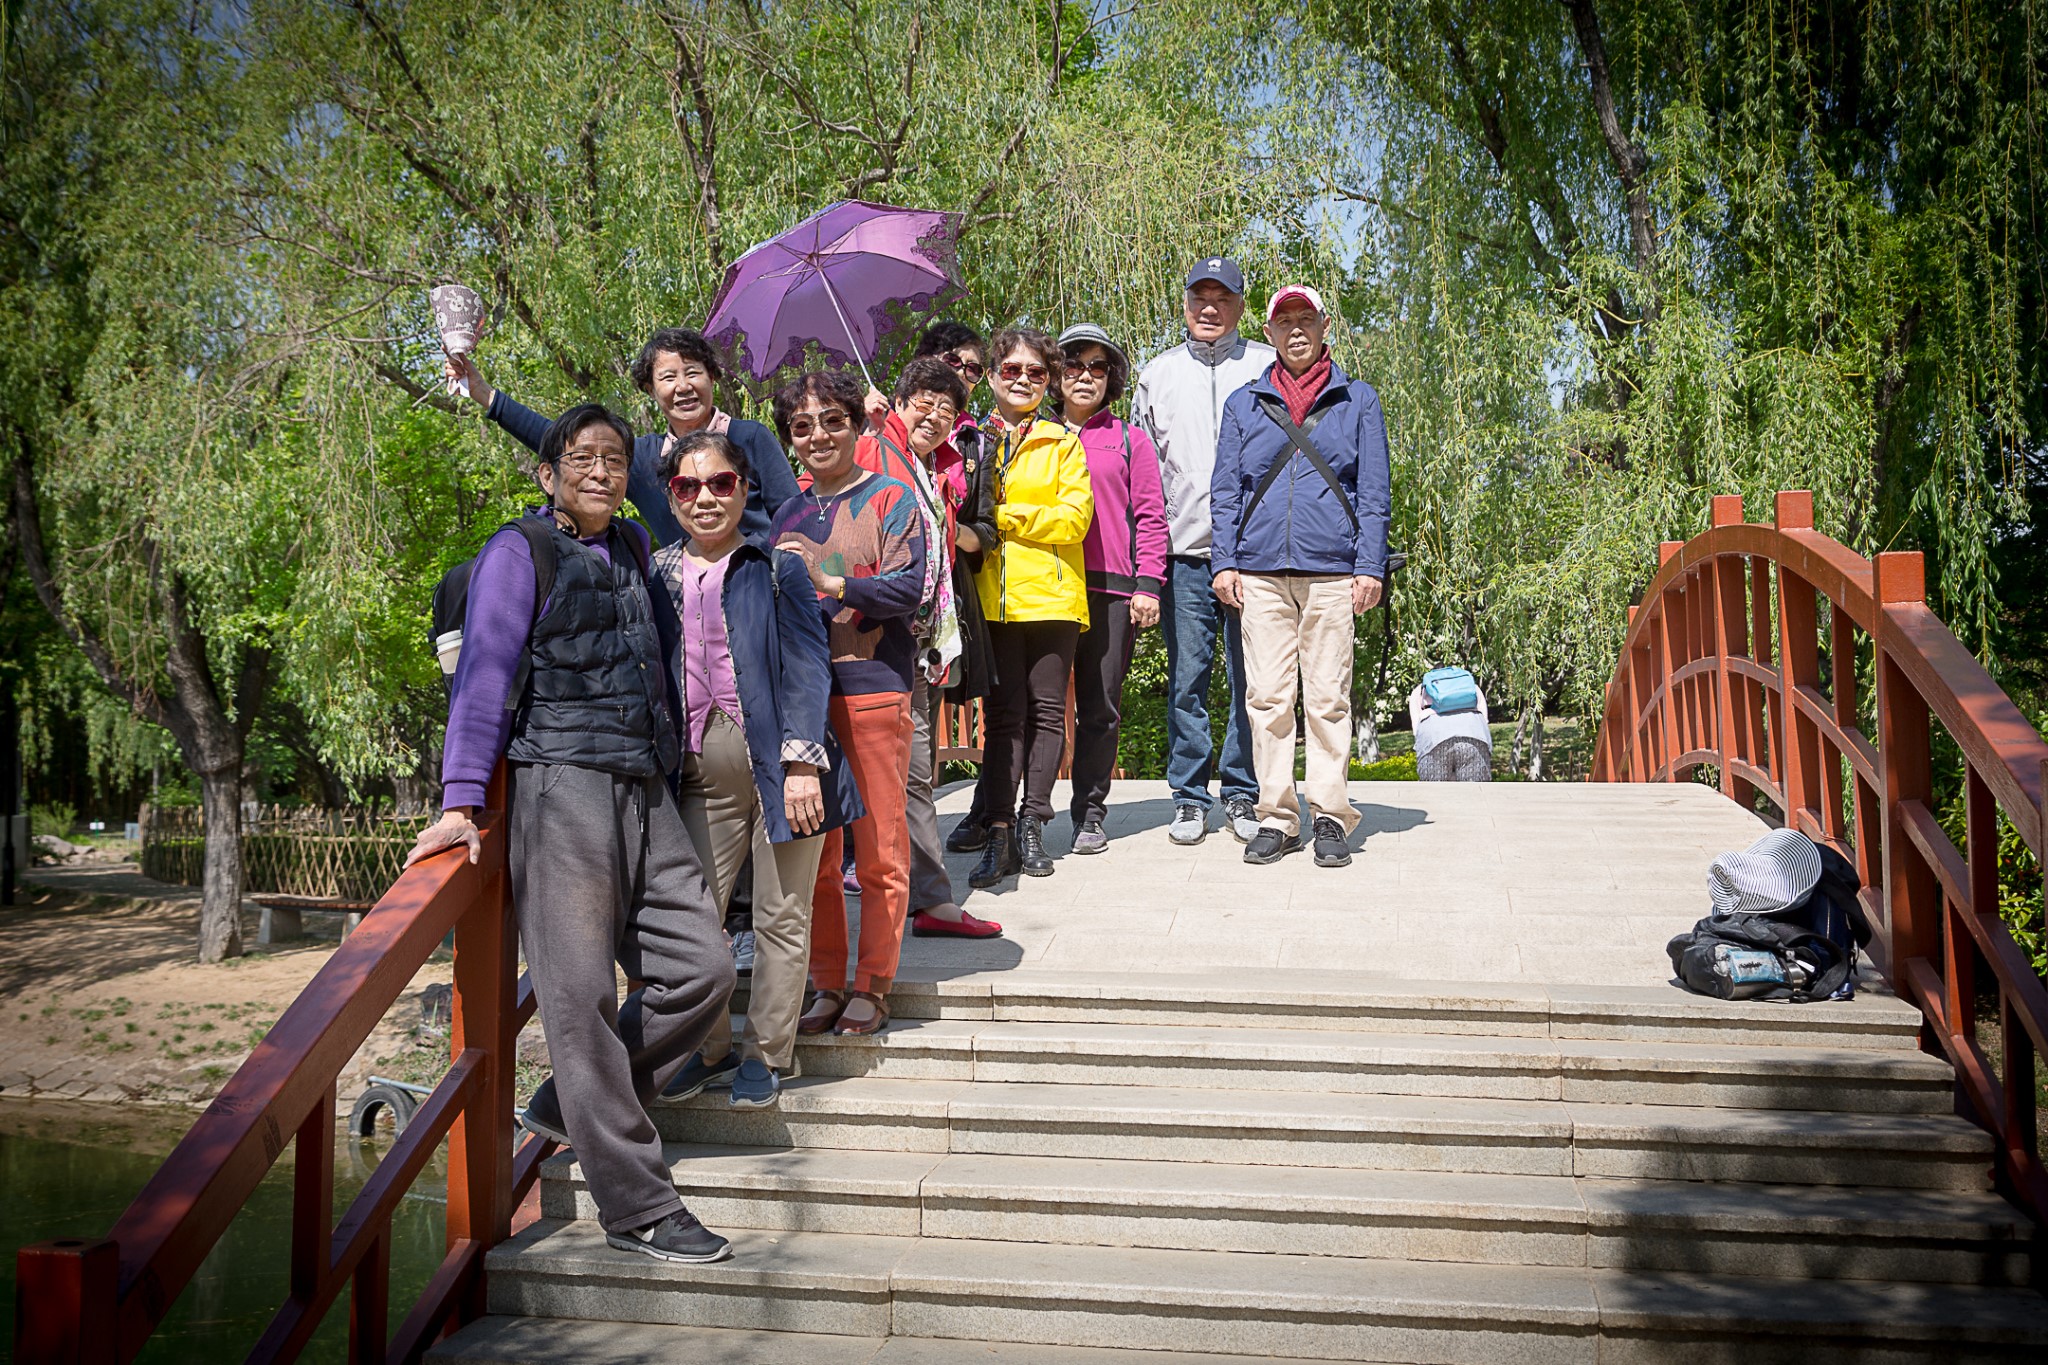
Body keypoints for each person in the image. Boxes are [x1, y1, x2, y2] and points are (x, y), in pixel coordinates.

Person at [406, 404, 735, 1265]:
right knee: (580, 999)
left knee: (702, 969)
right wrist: (459, 799)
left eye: (614, 458)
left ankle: (567, 1102)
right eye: (579, 457)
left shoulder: (629, 546)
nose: (599, 469)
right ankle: (638, 1207)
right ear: (546, 473)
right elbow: (483, 674)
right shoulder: (520, 552)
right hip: (561, 789)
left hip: (642, 781)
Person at [650, 431, 864, 1110]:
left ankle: (767, 1055)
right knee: (693, 916)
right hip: (697, 771)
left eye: (720, 483)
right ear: (672, 497)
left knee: (780, 912)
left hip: (783, 766)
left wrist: (804, 761)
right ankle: (705, 1048)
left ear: (744, 488)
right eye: (688, 486)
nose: (705, 498)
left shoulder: (778, 567)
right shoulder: (656, 573)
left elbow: (808, 663)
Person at [768, 370, 927, 1037]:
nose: (818, 435)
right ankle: (828, 981)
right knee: (820, 854)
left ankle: (874, 982)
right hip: (805, 705)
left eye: (832, 419)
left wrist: (834, 579)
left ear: (856, 424)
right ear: (790, 440)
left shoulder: (893, 496)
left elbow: (910, 586)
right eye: (802, 425)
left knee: (882, 845)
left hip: (874, 690)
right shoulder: (787, 514)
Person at [1210, 285, 1391, 868]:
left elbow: (1374, 491)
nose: (1295, 329)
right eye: (1284, 320)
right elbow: (1226, 490)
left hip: (1334, 571)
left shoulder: (1358, 399)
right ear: (1268, 331)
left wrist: (1369, 566)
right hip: (1260, 571)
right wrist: (1224, 561)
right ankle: (1277, 817)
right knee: (1266, 697)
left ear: (1324, 326)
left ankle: (1332, 815)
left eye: (1305, 319)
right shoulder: (1245, 403)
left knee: (1329, 699)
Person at [854, 356, 1001, 938]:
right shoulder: (874, 450)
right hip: (874, 642)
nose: (936, 416)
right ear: (900, 401)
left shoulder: (930, 468)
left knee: (913, 774)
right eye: (925, 402)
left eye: (948, 408)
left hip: (918, 643)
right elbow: (833, 523)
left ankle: (929, 899)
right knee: (892, 774)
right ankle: (912, 900)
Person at [1132, 257, 1272, 848]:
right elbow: (1143, 473)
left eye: (1223, 298)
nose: (1209, 308)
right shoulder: (1156, 374)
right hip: (1185, 557)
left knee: (1252, 681)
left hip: (1257, 555)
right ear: (1184, 304)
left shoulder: (1268, 367)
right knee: (1188, 680)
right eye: (1199, 298)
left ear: (1241, 305)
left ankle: (1243, 793)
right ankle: (1191, 798)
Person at [446, 328, 799, 545]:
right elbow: (562, 442)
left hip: (763, 588)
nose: (683, 387)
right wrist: (485, 395)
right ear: (650, 388)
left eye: (693, 373)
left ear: (712, 378)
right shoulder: (643, 458)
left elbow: (792, 516)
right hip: (691, 603)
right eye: (668, 377)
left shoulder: (749, 437)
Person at [968, 327, 1094, 887]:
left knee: (1047, 714)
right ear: (992, 376)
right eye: (1012, 370)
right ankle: (997, 830)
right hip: (990, 601)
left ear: (1049, 382)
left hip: (1052, 596)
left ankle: (1032, 824)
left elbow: (1074, 519)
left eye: (1036, 373)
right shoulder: (970, 440)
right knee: (1001, 720)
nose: (1023, 380)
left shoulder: (1063, 441)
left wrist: (1006, 517)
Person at [1056, 324, 1168, 854]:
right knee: (1036, 707)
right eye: (1073, 365)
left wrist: (1148, 584)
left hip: (1112, 589)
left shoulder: (1130, 439)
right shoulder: (1031, 435)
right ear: (1055, 375)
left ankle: (1090, 813)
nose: (1084, 376)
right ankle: (1019, 817)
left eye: (1097, 367)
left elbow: (1150, 517)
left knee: (1100, 706)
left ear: (1111, 378)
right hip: (1048, 588)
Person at [1411, 675, 1493, 781]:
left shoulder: (1420, 689)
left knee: (1433, 793)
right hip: (1473, 735)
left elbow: (1416, 728)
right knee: (1473, 792)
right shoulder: (1472, 687)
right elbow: (1484, 719)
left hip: (1434, 738)